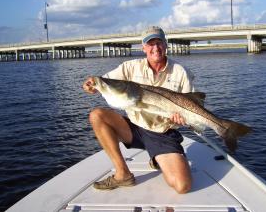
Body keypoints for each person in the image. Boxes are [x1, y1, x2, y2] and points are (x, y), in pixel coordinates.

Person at [83, 26, 194, 194]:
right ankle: (123, 174)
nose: (155, 48)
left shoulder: (181, 72)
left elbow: (192, 105)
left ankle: (157, 157)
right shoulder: (129, 67)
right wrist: (92, 84)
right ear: (143, 48)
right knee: (97, 115)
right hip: (134, 127)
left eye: (159, 43)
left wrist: (184, 118)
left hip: (163, 132)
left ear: (166, 45)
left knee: (182, 186)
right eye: (150, 44)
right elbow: (104, 81)